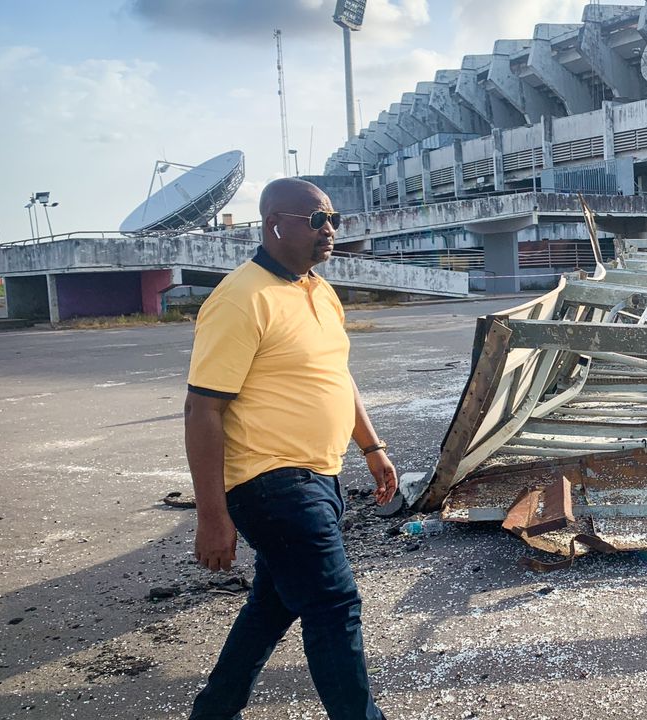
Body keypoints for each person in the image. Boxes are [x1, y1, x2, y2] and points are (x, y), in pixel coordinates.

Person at [184, 178, 397, 719]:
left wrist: (371, 448)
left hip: (320, 477)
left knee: (271, 606)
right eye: (317, 220)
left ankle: (213, 712)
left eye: (334, 219)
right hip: (271, 483)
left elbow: (336, 375)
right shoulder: (240, 298)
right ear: (275, 223)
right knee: (333, 604)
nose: (330, 230)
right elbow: (202, 409)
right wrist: (212, 516)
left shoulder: (319, 290)